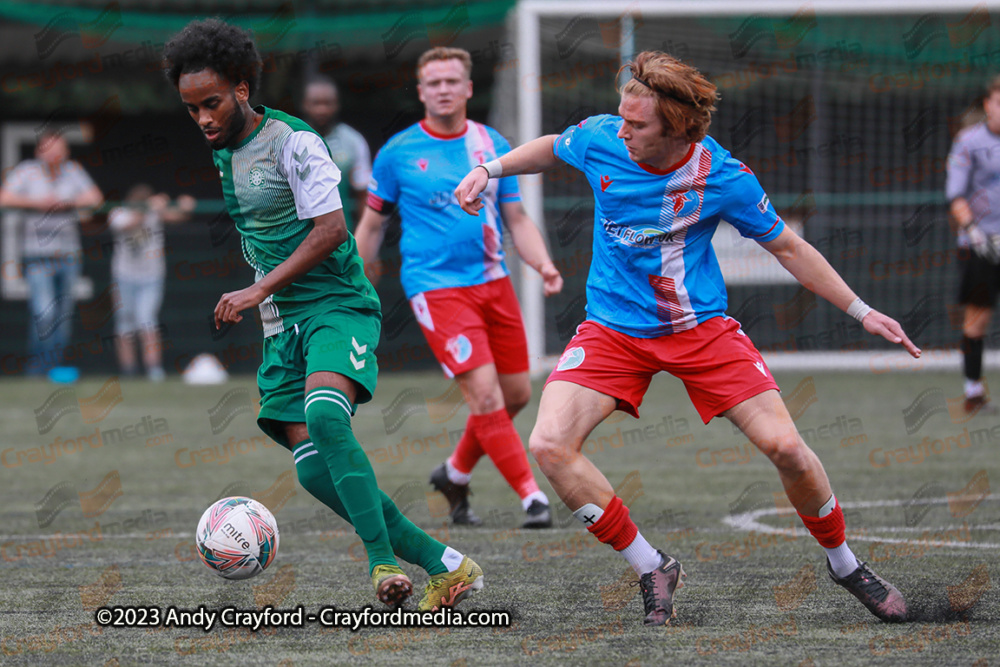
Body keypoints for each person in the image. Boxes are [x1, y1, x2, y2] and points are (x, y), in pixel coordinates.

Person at [455, 51, 921, 626]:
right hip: (612, 331)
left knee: (786, 448)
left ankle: (845, 564)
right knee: (550, 444)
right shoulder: (603, 138)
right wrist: (490, 169)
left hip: (700, 331)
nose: (620, 130)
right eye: (621, 118)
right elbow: (554, 145)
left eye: (636, 124)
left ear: (676, 127)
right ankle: (652, 565)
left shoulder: (722, 177)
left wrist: (861, 309)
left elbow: (789, 249)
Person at [163, 19, 482, 611]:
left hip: (337, 302)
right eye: (191, 110)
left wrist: (257, 290)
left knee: (328, 420)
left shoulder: (294, 141)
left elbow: (332, 230)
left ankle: (381, 562)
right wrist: (268, 299)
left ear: (240, 88)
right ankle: (447, 564)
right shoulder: (224, 150)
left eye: (210, 104)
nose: (203, 118)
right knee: (311, 470)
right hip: (283, 322)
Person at [355, 47, 564, 529]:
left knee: (515, 394)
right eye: (433, 83)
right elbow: (370, 226)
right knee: (485, 397)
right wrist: (358, 277)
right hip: (436, 289)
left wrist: (544, 264)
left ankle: (454, 473)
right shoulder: (397, 152)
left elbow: (516, 218)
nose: (443, 89)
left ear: (468, 88)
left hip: (494, 281)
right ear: (421, 90)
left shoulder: (492, 143)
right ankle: (532, 497)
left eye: (452, 81)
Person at [0, 130, 103, 378]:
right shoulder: (27, 171)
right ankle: (37, 368)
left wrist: (66, 203)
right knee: (44, 314)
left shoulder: (72, 171)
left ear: (65, 152)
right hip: (37, 255)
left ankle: (53, 369)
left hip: (68, 255)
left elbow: (95, 199)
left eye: (59, 148)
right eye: (49, 148)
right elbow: (4, 198)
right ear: (39, 151)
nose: (54, 153)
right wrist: (39, 204)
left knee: (63, 318)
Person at [946, 74, 1000, 414]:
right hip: (980, 245)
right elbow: (955, 195)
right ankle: (973, 391)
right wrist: (976, 232)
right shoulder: (968, 141)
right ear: (988, 104)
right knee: (976, 319)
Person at [108, 184, 196, 381]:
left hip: (151, 277)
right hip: (124, 277)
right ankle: (128, 371)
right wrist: (151, 207)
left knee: (147, 320)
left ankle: (153, 370)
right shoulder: (118, 213)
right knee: (124, 324)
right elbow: (128, 223)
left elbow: (178, 216)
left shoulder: (155, 212)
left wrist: (185, 206)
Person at [301, 76, 372, 230]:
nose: (322, 109)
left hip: (342, 238)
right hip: (298, 241)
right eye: (316, 103)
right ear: (305, 105)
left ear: (337, 104)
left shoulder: (353, 141)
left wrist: (363, 240)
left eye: (327, 103)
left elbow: (362, 195)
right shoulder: (291, 139)